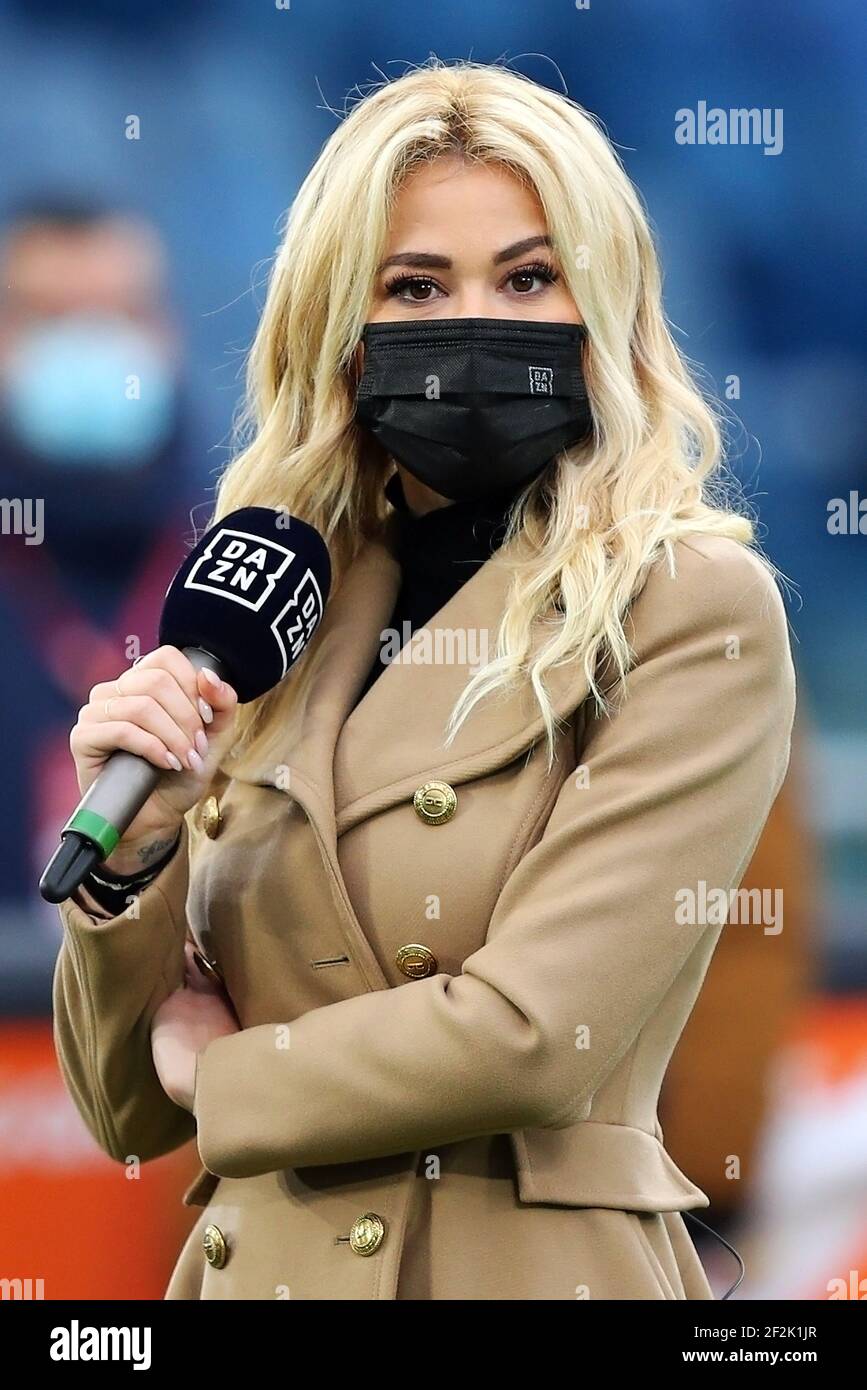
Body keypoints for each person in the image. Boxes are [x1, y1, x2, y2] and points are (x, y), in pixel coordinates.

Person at [51, 60, 796, 1301]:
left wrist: (220, 1073)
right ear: (341, 332)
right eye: (415, 285)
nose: (477, 326)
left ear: (600, 303)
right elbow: (126, 1111)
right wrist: (139, 860)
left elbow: (532, 1038)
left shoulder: (691, 607)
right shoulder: (285, 597)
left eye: (526, 276)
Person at [0, 198, 200, 910]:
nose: (90, 347)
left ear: (166, 333)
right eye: (52, 318)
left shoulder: (242, 558)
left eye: (120, 314)